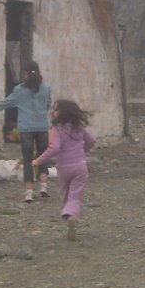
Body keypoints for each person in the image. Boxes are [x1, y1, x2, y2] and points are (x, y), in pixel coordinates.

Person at [0, 61, 52, 202]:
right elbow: (47, 105)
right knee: (42, 156)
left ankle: (28, 193)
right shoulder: (46, 88)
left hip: (26, 129)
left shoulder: (19, 90)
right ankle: (44, 186)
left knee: (28, 159)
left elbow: (5, 103)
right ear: (38, 72)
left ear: (25, 74)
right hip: (42, 127)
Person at [32, 99, 95, 241]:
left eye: (55, 109)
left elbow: (54, 148)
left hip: (63, 167)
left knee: (66, 194)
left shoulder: (56, 130)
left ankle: (68, 216)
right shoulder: (78, 127)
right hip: (80, 166)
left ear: (61, 113)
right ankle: (72, 215)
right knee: (75, 194)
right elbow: (91, 141)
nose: (52, 112)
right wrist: (82, 152)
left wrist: (38, 160)